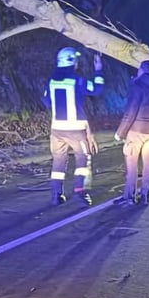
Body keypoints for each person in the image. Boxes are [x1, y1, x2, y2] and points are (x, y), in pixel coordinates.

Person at [42, 47, 104, 206]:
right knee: (82, 160)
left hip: (57, 130)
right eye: (76, 61)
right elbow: (97, 89)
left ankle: (56, 195)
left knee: (58, 161)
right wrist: (98, 71)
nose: (77, 63)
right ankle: (79, 193)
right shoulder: (77, 80)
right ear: (71, 62)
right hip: (76, 130)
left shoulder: (51, 81)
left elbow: (46, 101)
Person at [114, 60, 149, 205]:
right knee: (148, 163)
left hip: (136, 130)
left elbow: (131, 111)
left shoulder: (137, 86)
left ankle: (129, 196)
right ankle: (145, 194)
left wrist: (121, 132)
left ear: (141, 69)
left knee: (132, 164)